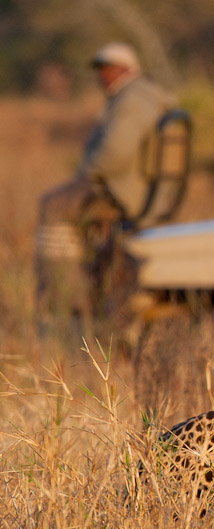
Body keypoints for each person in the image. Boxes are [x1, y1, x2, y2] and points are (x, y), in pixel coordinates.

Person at [35, 42, 176, 332]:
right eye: (99, 69)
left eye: (107, 69)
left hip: (122, 192)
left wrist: (84, 176)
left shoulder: (132, 99)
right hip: (134, 189)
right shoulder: (140, 94)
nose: (102, 75)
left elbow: (115, 153)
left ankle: (67, 300)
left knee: (54, 205)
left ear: (126, 69)